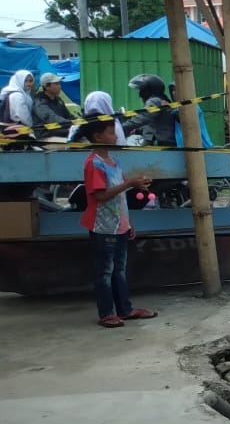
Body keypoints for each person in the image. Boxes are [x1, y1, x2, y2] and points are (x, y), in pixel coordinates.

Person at [76, 118, 157, 328]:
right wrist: (130, 183)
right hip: (102, 226)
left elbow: (118, 198)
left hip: (117, 224)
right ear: (98, 137)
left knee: (118, 270)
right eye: (111, 132)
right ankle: (106, 313)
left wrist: (127, 222)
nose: (115, 136)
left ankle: (125, 309)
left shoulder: (113, 162)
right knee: (105, 271)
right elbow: (101, 196)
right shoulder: (94, 163)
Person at [122, 74, 178, 146]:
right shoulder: (162, 100)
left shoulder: (155, 101)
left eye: (142, 90)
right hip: (164, 141)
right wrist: (137, 131)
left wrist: (122, 128)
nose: (140, 94)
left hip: (158, 143)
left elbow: (142, 118)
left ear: (148, 90)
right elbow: (153, 125)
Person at [30, 72, 76, 139]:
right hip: (46, 136)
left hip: (60, 132)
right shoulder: (39, 103)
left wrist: (79, 121)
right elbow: (52, 118)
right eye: (56, 84)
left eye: (59, 83)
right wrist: (72, 123)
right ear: (46, 86)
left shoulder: (58, 99)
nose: (60, 86)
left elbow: (68, 116)